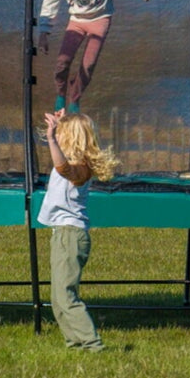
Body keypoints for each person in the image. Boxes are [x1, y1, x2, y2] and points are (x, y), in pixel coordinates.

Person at [40, 110, 118, 351]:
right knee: (57, 298)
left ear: (71, 138)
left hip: (71, 236)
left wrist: (52, 139)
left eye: (61, 134)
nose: (55, 137)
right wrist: (61, 119)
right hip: (61, 234)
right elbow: (61, 163)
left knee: (66, 295)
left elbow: (64, 169)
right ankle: (74, 343)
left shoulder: (81, 168)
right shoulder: (70, 162)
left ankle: (93, 344)